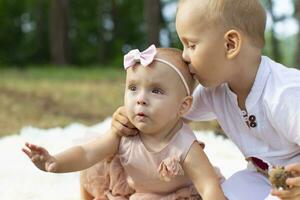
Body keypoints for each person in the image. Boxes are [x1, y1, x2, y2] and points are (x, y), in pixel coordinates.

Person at [113, 0, 300, 199]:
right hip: (261, 176)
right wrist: (131, 117)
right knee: (221, 194)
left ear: (230, 45)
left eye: (191, 45)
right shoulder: (214, 90)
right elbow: (168, 116)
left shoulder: (284, 93)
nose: (184, 56)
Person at [22, 45, 226, 200]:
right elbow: (87, 153)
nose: (141, 98)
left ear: (183, 106)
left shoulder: (184, 145)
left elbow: (208, 186)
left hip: (176, 195)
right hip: (135, 191)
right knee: (95, 168)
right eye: (133, 88)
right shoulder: (127, 131)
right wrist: (55, 162)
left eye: (156, 90)